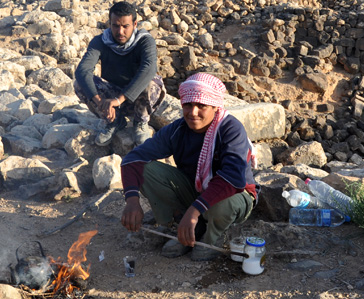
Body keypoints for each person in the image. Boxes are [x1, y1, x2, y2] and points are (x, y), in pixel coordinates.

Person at [119, 73, 257, 261]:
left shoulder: (230, 129)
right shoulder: (177, 129)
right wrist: (132, 200)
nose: (193, 112)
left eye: (201, 106)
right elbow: (132, 160)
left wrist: (194, 211)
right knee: (147, 170)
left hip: (235, 195)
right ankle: (186, 224)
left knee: (223, 203)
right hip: (196, 191)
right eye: (188, 105)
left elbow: (233, 179)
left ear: (215, 107)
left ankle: (211, 236)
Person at [74, 1, 164, 147]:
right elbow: (83, 70)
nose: (120, 31)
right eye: (115, 25)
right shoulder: (101, 41)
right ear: (110, 23)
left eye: (125, 26)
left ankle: (141, 122)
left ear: (135, 24)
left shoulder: (145, 41)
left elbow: (149, 69)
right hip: (114, 97)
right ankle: (115, 121)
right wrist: (100, 103)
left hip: (138, 99)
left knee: (150, 81)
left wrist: (119, 99)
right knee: (79, 83)